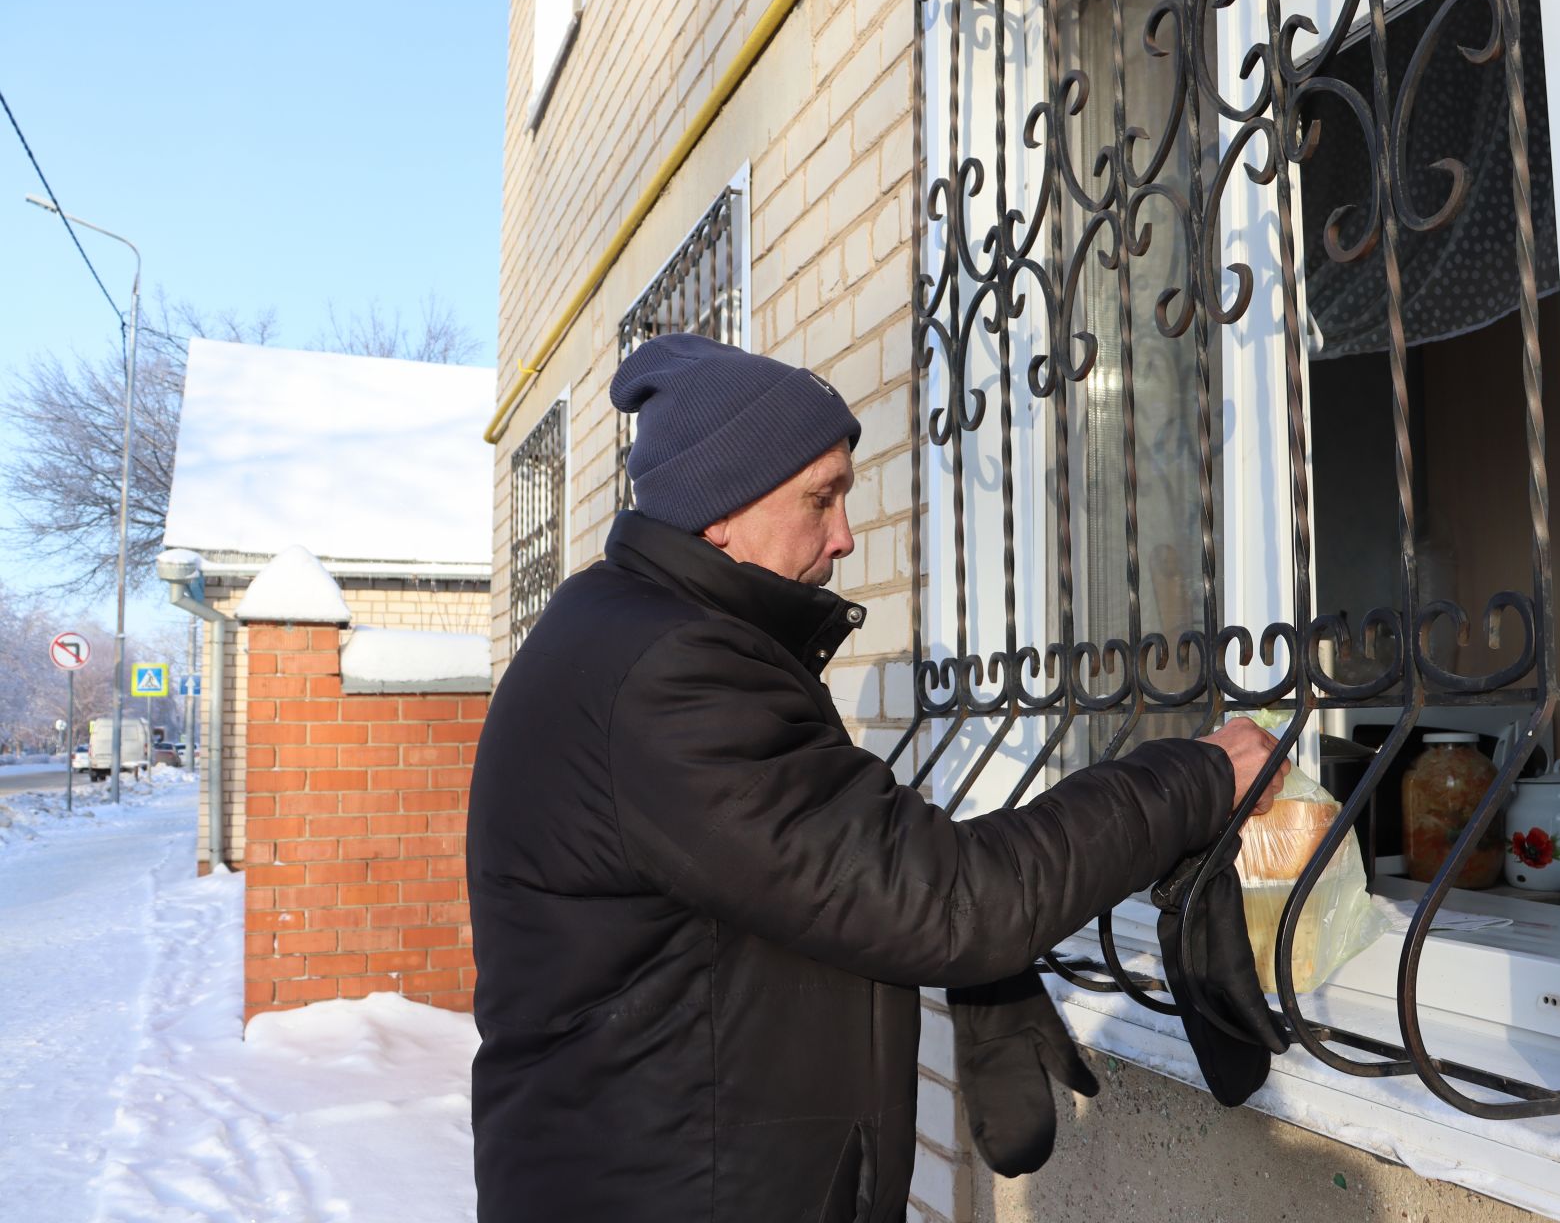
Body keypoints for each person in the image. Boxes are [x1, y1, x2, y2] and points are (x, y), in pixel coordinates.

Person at [467, 333, 1285, 1222]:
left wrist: (984, 964)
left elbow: (829, 874)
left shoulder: (637, 633)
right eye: (821, 499)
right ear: (719, 512)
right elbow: (937, 900)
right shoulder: (673, 676)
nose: (847, 537)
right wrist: (1198, 776)